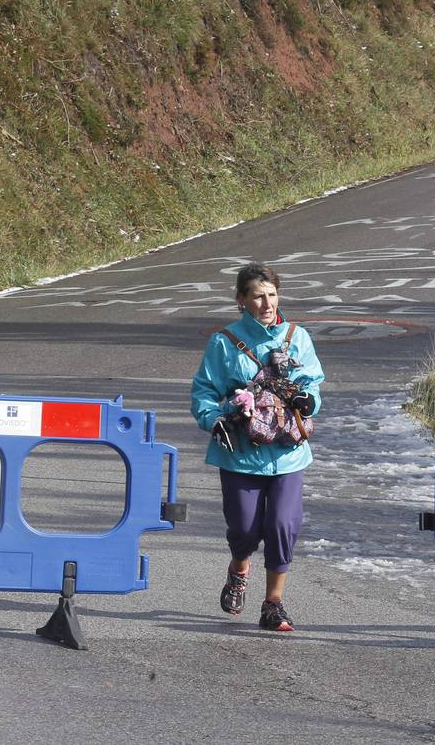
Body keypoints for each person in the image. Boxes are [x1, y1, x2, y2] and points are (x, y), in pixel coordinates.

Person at [190, 262, 324, 632]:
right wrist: (212, 418)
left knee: (283, 524)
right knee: (245, 529)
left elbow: (312, 382)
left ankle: (274, 605)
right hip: (240, 452)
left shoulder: (298, 337)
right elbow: (203, 391)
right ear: (241, 300)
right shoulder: (224, 342)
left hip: (287, 451)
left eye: (272, 295)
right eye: (257, 296)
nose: (267, 303)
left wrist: (309, 400)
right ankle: (239, 567)